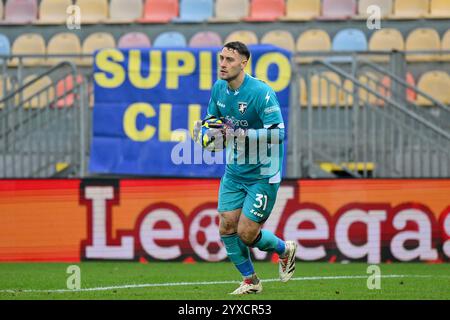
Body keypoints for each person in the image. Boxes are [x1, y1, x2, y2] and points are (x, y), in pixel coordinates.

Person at [193, 41, 297, 295]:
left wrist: (241, 134)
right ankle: (250, 280)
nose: (223, 64)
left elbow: (279, 133)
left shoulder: (261, 93)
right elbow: (213, 123)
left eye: (229, 59)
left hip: (263, 173)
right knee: (227, 226)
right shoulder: (219, 89)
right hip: (235, 171)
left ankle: (285, 250)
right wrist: (206, 134)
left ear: (244, 63)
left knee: (247, 234)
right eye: (221, 59)